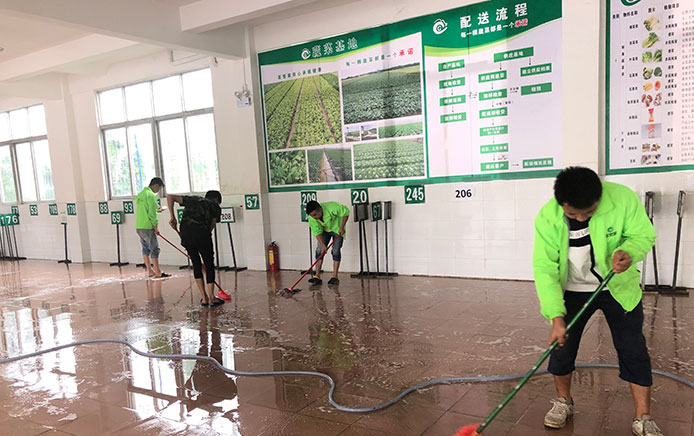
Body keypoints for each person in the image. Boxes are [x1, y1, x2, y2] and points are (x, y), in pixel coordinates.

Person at [533, 167, 662, 436]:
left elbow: (643, 235)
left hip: (617, 286)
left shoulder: (622, 199)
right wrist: (556, 316)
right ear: (561, 203)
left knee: (633, 349)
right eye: (572, 215)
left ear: (599, 197)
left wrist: (629, 252)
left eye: (588, 212)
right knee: (562, 347)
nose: (580, 218)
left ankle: (643, 417)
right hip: (571, 290)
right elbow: (544, 269)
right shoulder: (547, 217)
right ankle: (563, 401)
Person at [167, 190, 228, 306]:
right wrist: (204, 235)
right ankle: (212, 297)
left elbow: (170, 197)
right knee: (209, 264)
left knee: (196, 264)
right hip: (202, 235)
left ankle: (204, 298)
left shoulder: (193, 199)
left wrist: (172, 217)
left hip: (186, 235)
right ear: (217, 200)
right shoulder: (215, 207)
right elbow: (211, 225)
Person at [306, 200, 349, 286]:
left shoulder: (332, 207)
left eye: (315, 214)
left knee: (335, 251)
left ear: (320, 209)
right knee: (319, 250)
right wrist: (323, 245)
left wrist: (342, 227)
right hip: (324, 231)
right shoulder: (312, 218)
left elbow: (346, 212)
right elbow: (316, 232)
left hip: (337, 230)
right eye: (312, 215)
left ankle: (335, 277)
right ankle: (317, 276)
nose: (314, 217)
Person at [135, 177, 169, 278]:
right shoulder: (151, 196)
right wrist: (156, 227)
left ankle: (150, 271)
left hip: (139, 226)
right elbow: (152, 214)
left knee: (145, 249)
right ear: (156, 186)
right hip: (148, 226)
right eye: (159, 189)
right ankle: (158, 272)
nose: (158, 191)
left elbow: (146, 209)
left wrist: (158, 209)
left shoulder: (140, 195)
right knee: (154, 249)